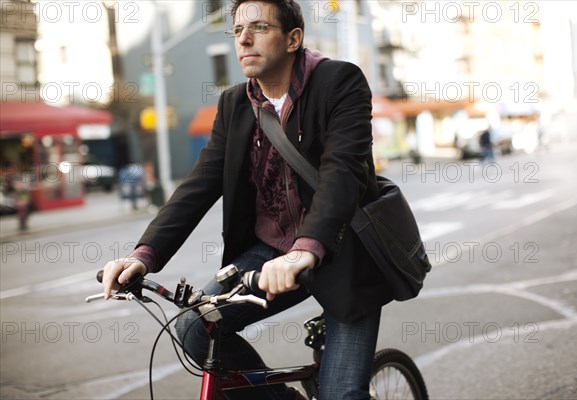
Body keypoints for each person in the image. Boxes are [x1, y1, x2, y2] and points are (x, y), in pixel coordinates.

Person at [101, 1, 393, 398]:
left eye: (259, 27)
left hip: (342, 254)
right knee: (194, 326)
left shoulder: (340, 82)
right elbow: (199, 184)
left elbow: (341, 172)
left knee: (341, 394)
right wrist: (143, 255)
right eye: (237, 30)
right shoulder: (234, 104)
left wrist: (305, 249)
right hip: (270, 253)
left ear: (293, 39)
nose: (244, 39)